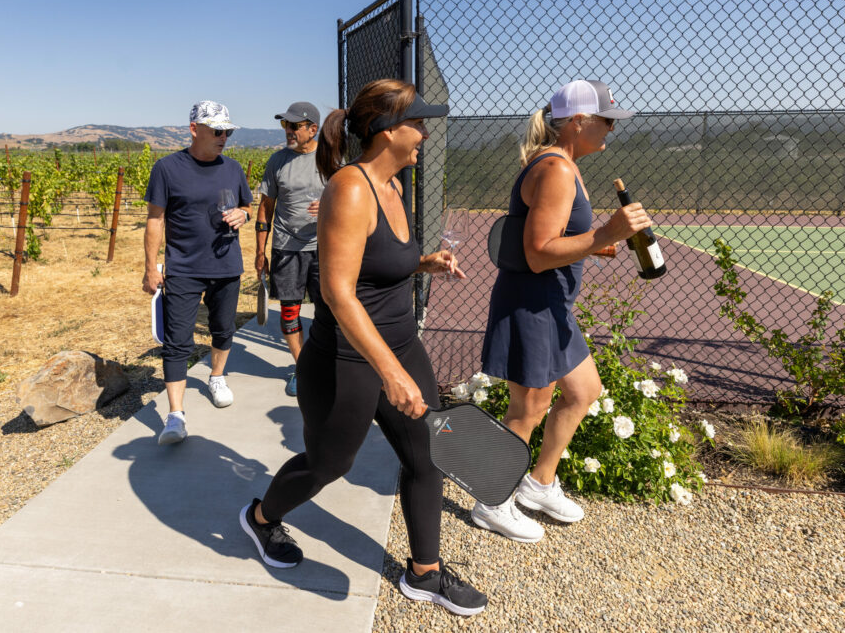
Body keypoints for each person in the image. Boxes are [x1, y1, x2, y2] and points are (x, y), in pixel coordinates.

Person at [239, 79, 488, 617]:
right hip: (345, 360)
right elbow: (337, 291)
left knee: (427, 457)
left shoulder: (396, 186)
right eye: (417, 123)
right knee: (329, 465)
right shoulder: (351, 188)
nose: (424, 133)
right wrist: (390, 374)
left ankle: (425, 572)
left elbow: (376, 267)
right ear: (385, 130)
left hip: (398, 343)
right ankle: (260, 517)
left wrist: (424, 263)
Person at [473, 80, 650, 542]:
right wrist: (604, 232)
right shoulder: (554, 170)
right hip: (532, 304)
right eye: (606, 119)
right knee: (528, 407)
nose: (612, 126)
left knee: (584, 391)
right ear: (577, 122)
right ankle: (491, 501)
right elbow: (536, 253)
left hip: (554, 306)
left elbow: (556, 237)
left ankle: (539, 484)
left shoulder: (568, 165)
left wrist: (601, 243)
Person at [142, 100, 253, 445]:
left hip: (226, 265)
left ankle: (216, 376)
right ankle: (175, 416)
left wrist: (244, 215)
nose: (223, 137)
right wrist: (150, 267)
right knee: (177, 342)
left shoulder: (233, 169)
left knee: (222, 329)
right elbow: (155, 219)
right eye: (217, 131)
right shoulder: (167, 168)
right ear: (194, 130)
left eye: (227, 132)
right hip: (184, 268)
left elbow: (248, 205)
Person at [254, 101, 325, 396]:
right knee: (289, 313)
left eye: (295, 125)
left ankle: (328, 365)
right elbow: (264, 209)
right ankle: (303, 368)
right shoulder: (277, 161)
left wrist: (331, 204)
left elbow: (353, 199)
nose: (289, 131)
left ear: (313, 129)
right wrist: (260, 252)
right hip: (286, 248)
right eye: (286, 125)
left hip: (325, 247)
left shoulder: (332, 159)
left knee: (330, 312)